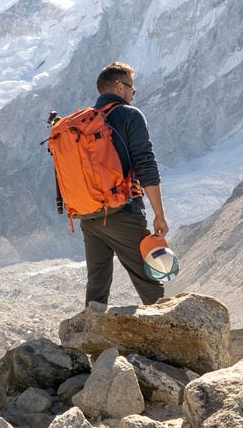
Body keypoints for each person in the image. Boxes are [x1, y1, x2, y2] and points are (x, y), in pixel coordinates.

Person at [80, 61, 169, 306]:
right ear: (119, 87)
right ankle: (174, 340)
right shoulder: (130, 115)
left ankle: (89, 341)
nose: (133, 93)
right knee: (149, 281)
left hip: (89, 216)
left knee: (97, 287)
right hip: (122, 213)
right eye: (132, 88)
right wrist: (159, 215)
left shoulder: (84, 121)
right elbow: (146, 165)